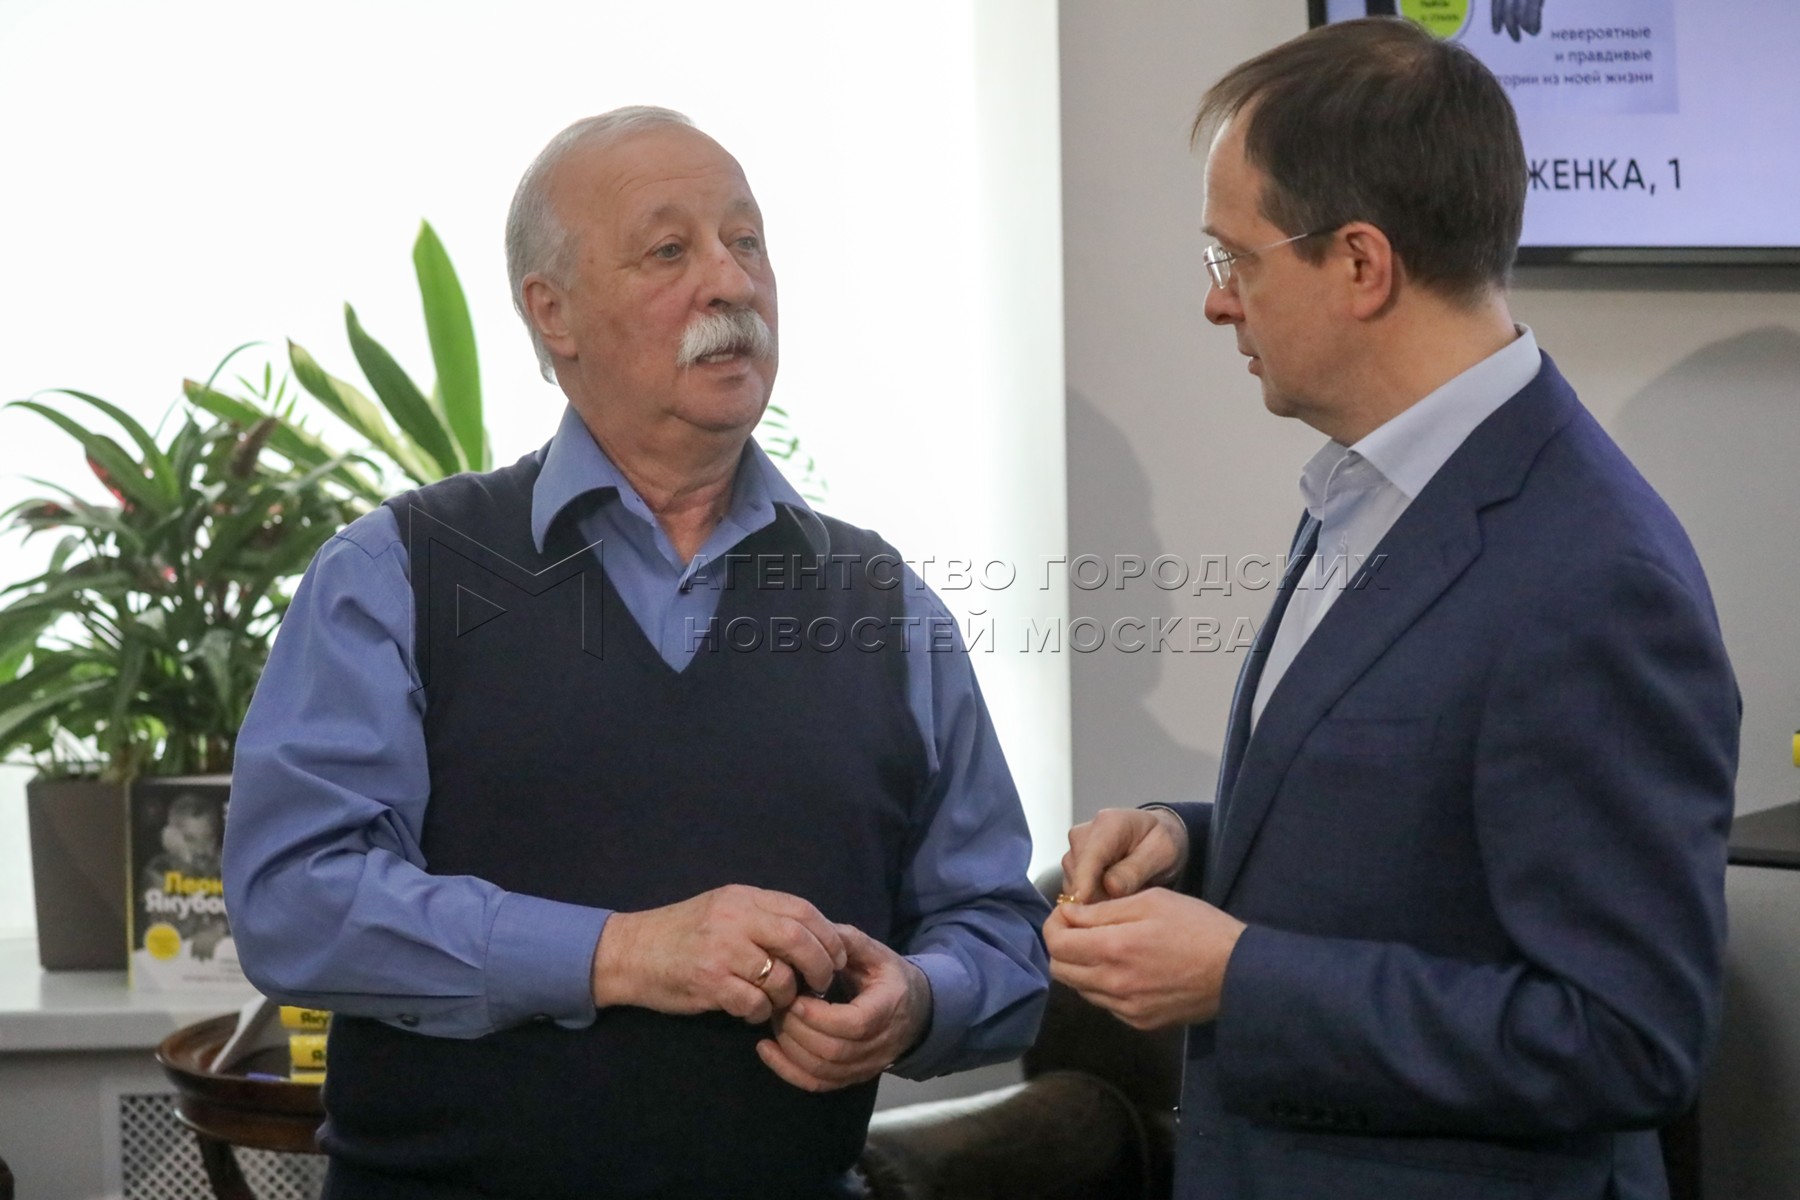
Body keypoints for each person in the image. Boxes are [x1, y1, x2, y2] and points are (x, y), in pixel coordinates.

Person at [223, 106, 1048, 1200]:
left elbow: (1001, 934)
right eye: (670, 250)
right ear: (551, 311)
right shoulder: (397, 575)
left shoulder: (884, 606)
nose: (732, 282)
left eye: (747, 242)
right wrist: (621, 953)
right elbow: (295, 902)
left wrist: (922, 999)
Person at [1046, 19, 1737, 1200]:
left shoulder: (1596, 577)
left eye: (1235, 260)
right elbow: (1426, 829)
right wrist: (1189, 841)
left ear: (1361, 264)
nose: (1217, 304)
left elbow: (1626, 1037)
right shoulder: (1368, 487)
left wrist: (1241, 978)